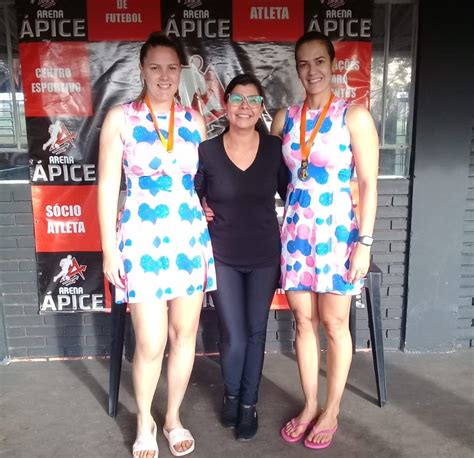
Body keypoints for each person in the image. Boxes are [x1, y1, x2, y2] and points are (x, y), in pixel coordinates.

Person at [98, 32, 216, 458]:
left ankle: (172, 418)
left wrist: (208, 206)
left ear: (180, 71)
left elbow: (204, 180)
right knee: (150, 341)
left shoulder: (194, 120)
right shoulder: (120, 118)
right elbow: (109, 184)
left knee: (184, 335)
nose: (164, 76)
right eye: (155, 67)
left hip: (188, 237)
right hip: (141, 239)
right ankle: (144, 420)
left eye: (171, 68)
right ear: (141, 70)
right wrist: (109, 249)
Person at [271, 31, 379, 450]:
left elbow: (368, 183)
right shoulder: (284, 119)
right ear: (296, 68)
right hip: (296, 232)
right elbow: (266, 174)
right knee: (302, 322)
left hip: (337, 234)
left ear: (333, 65)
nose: (311, 70)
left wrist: (365, 243)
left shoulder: (354, 116)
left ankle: (332, 409)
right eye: (303, 63)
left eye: (319, 61)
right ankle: (310, 403)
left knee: (334, 324)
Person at [195, 73, 288, 441]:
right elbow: (193, 194)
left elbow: (292, 192)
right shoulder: (208, 151)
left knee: (255, 332)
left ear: (262, 108)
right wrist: (199, 204)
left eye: (253, 100)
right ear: (226, 103)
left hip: (265, 253)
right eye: (237, 99)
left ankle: (249, 404)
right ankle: (231, 397)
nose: (245, 107)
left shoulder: (274, 149)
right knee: (233, 334)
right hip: (224, 255)